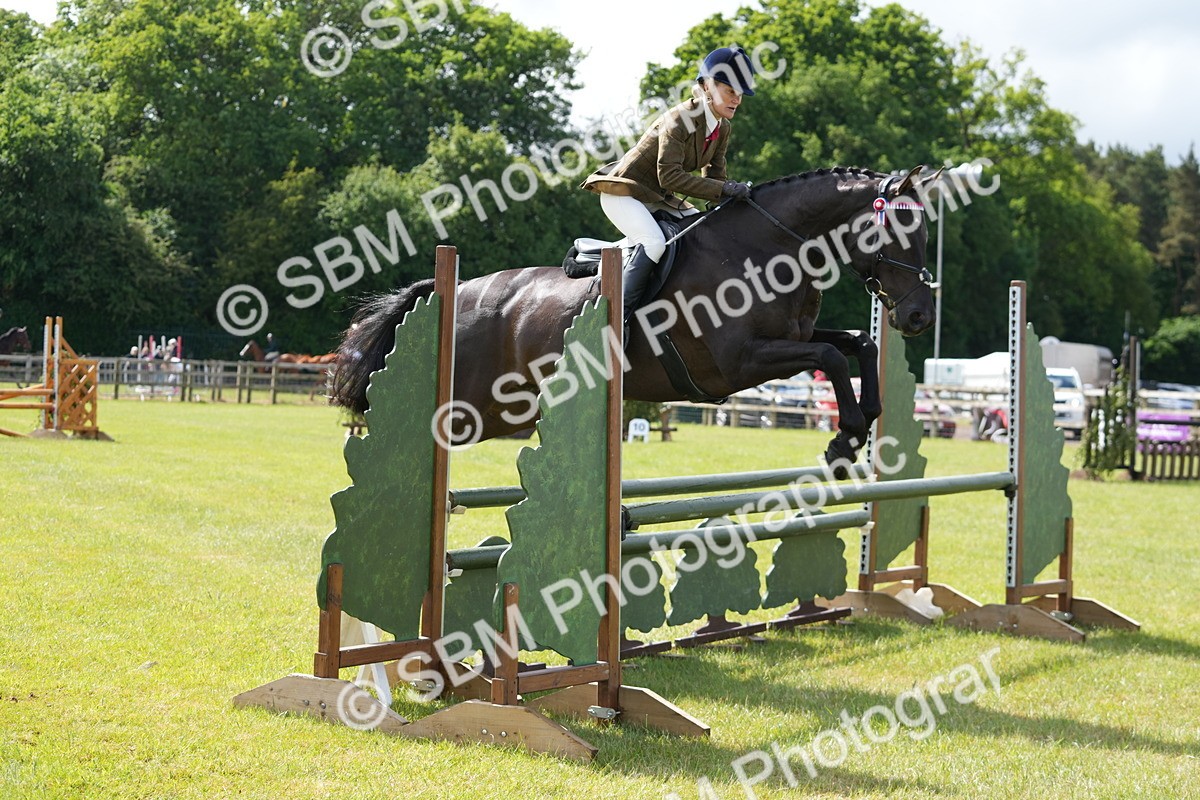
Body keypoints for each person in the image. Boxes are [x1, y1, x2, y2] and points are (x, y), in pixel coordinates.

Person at [581, 45, 757, 340]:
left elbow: (714, 177)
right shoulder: (678, 120)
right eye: (729, 90)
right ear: (705, 87)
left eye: (740, 93)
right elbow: (670, 175)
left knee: (702, 233)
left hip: (658, 197)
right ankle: (613, 322)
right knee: (654, 244)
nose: (736, 99)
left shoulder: (722, 128)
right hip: (625, 192)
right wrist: (724, 189)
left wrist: (729, 203)